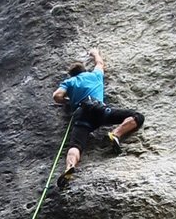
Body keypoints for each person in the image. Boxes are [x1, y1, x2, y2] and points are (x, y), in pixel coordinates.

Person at [53, 47, 145, 189]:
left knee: (76, 145)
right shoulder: (94, 75)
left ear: (71, 74)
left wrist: (69, 100)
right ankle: (116, 134)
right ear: (83, 70)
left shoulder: (69, 82)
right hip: (100, 111)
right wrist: (95, 53)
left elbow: (57, 96)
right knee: (136, 116)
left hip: (81, 114)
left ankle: (69, 167)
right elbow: (100, 64)